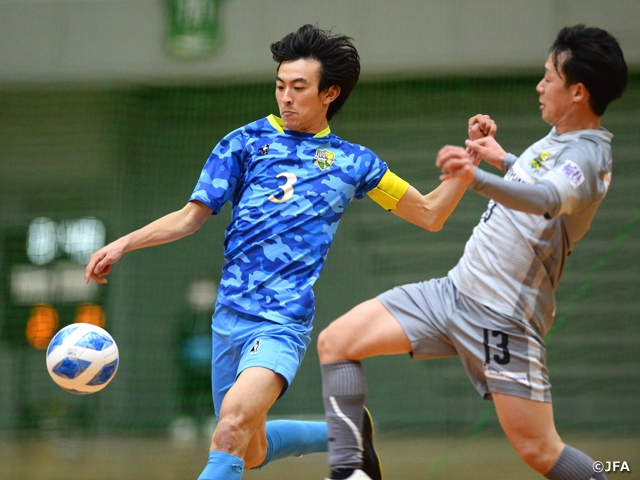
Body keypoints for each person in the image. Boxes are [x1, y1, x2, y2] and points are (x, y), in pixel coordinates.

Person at [84, 24, 488, 480]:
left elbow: (430, 214)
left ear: (330, 93)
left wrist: (468, 163)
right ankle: (348, 431)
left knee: (230, 431)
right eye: (280, 86)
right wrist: (123, 243)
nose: (286, 98)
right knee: (247, 451)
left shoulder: (354, 162)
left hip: (281, 322)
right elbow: (189, 217)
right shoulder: (243, 143)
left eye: (299, 88)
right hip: (228, 317)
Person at [318, 24, 627, 480]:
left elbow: (546, 198)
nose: (540, 86)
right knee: (337, 342)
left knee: (540, 451)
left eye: (548, 77)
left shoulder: (588, 156)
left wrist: (474, 178)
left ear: (578, 91)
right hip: (454, 292)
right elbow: (534, 175)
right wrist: (497, 156)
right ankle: (349, 474)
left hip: (502, 318)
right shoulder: (558, 138)